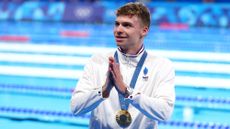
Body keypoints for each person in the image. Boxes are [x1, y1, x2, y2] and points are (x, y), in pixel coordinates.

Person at [71, 2, 175, 129]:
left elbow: (165, 113)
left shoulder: (162, 66)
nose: (118, 30)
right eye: (117, 24)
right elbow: (75, 108)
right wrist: (103, 91)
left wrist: (127, 92)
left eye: (127, 25)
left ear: (144, 30)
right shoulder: (97, 61)